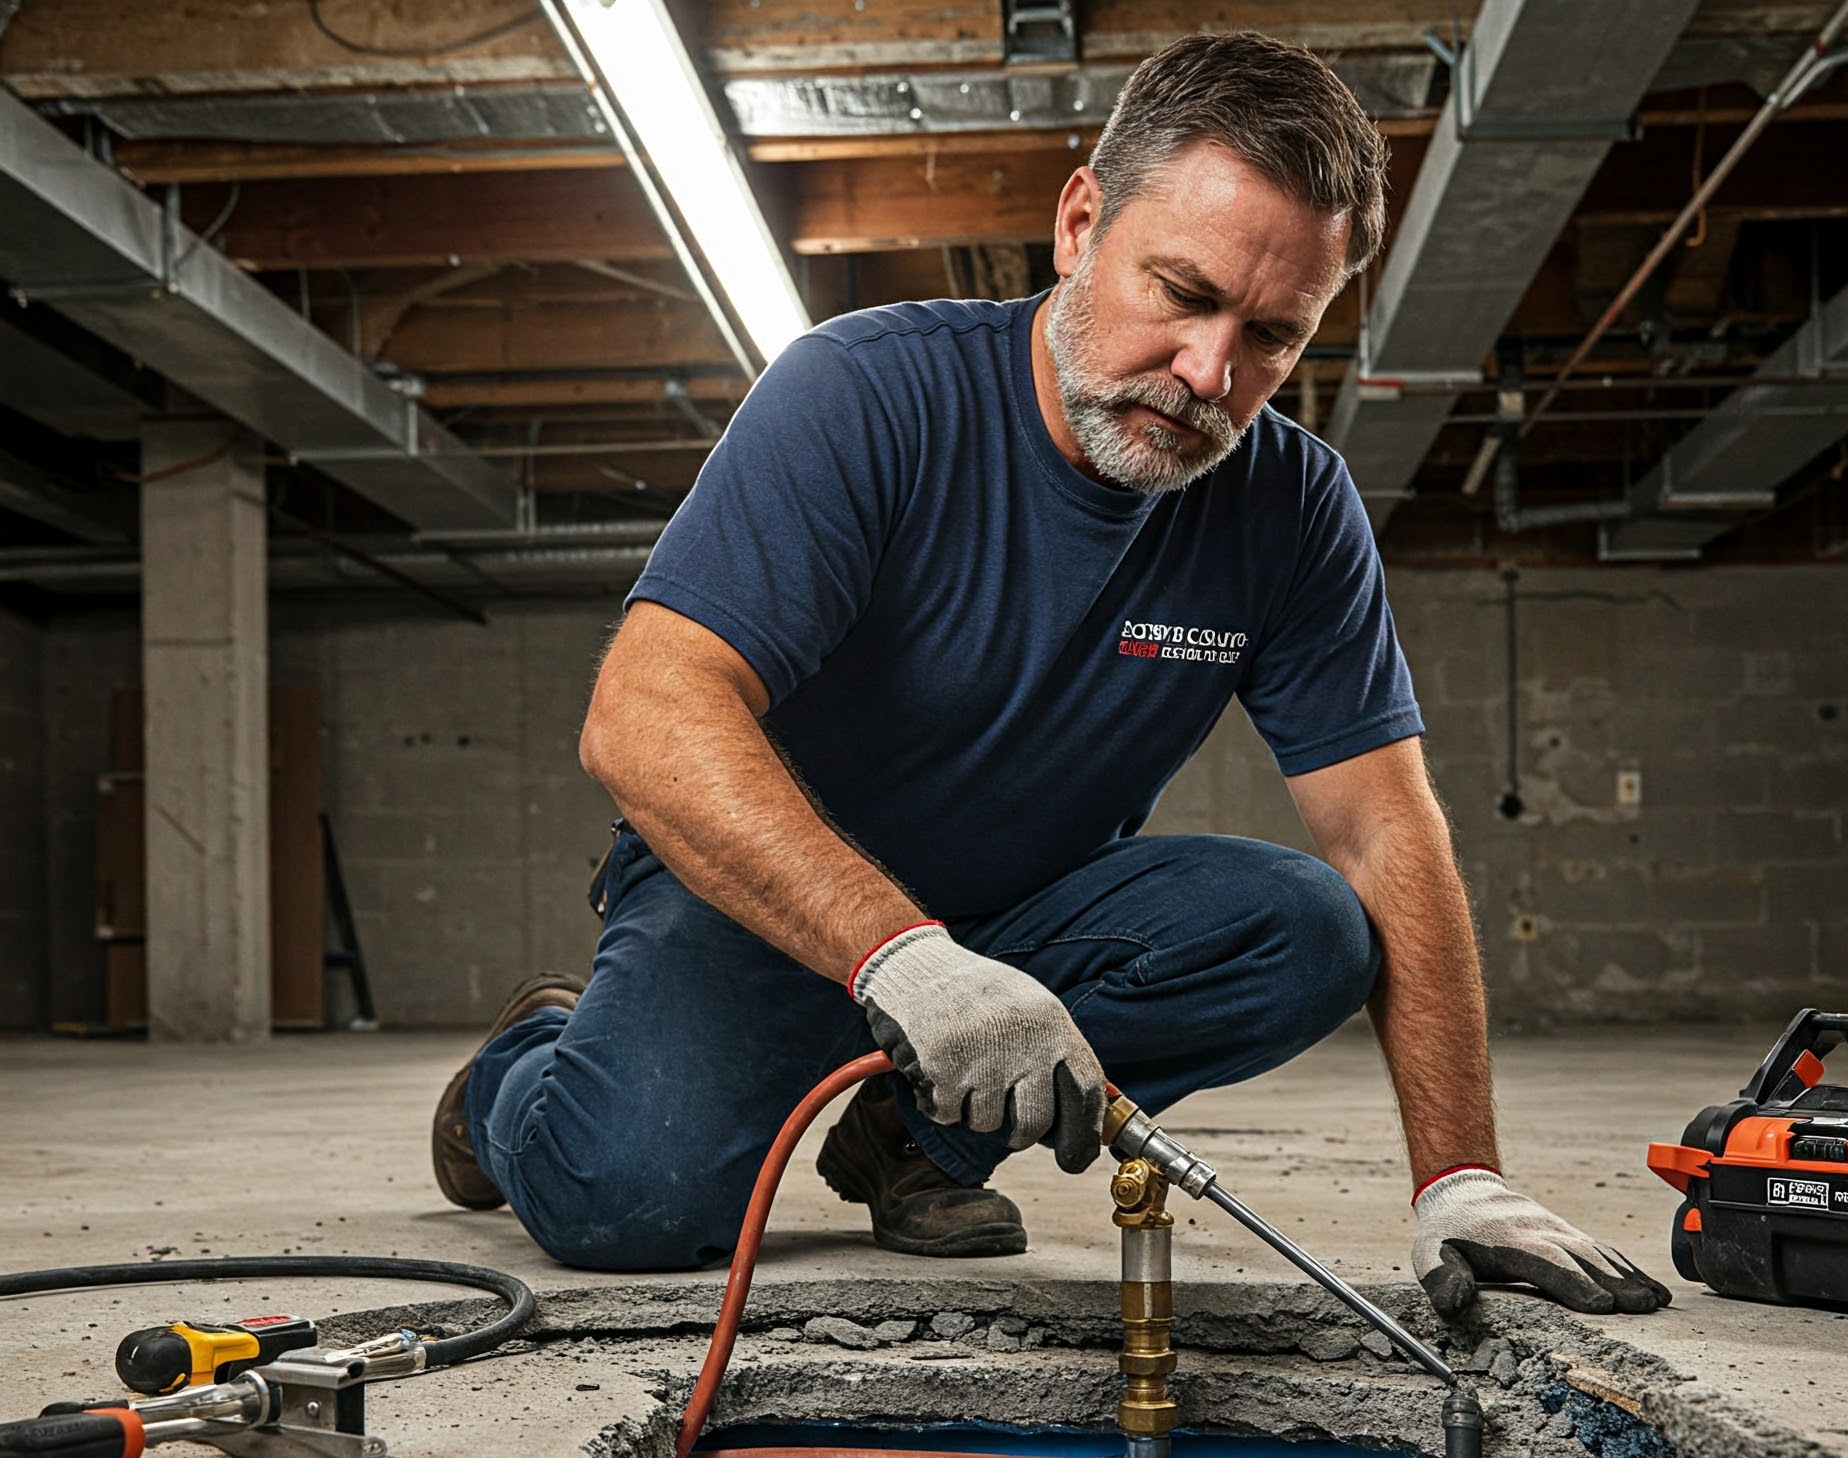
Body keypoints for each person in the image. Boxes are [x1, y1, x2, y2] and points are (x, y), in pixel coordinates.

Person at [431, 31, 1669, 1320]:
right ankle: (522, 1065)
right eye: (1182, 293)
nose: (1211, 374)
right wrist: (901, 958)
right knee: (625, 1208)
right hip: (758, 901)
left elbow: (1381, 827)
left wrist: (1461, 1175)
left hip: (1027, 925)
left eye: (1273, 335)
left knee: (1306, 927)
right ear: (1081, 221)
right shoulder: (866, 395)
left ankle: (917, 1138)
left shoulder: (1292, 503)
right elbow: (647, 711)